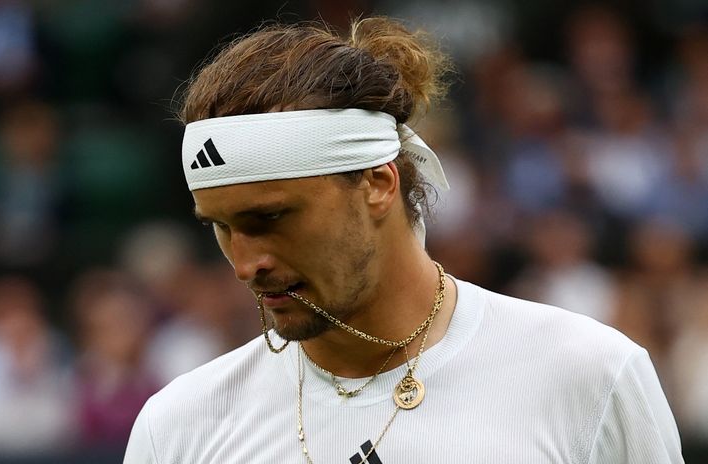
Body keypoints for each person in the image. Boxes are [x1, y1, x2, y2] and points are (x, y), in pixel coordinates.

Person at [124, 17, 683, 463]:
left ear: (377, 183)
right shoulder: (178, 427)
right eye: (221, 227)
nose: (244, 264)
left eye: (270, 219)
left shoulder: (592, 375)